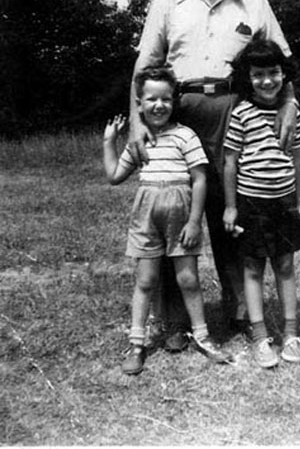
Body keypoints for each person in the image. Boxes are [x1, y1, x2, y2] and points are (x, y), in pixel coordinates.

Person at [129, 0, 298, 345]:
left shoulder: (253, 0)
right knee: (174, 211)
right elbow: (143, 68)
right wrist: (136, 121)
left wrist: (289, 104)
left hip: (233, 109)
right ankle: (176, 322)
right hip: (179, 112)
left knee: (232, 210)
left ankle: (241, 310)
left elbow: (282, 60)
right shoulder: (168, 0)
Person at [103, 66, 232, 375]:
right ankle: (137, 343)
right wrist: (109, 142)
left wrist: (193, 221)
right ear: (139, 102)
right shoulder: (139, 142)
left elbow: (199, 180)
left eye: (165, 99)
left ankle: (202, 336)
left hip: (180, 216)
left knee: (188, 279)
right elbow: (115, 176)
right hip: (146, 217)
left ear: (174, 100)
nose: (158, 105)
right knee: (146, 280)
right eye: (151, 99)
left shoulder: (185, 136)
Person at [223, 34, 300, 368]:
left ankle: (291, 333)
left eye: (274, 72)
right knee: (252, 267)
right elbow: (230, 162)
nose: (267, 81)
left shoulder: (291, 112)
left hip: (283, 202)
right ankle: (261, 337)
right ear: (248, 78)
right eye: (258, 74)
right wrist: (231, 206)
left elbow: (298, 159)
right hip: (251, 203)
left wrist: (298, 201)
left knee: (286, 264)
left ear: (283, 73)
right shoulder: (242, 114)